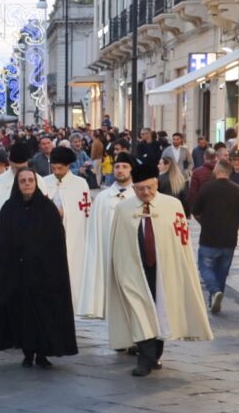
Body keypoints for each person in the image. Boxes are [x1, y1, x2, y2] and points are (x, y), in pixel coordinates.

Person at [107, 162, 213, 376]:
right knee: (140, 310)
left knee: (161, 309)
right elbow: (118, 241)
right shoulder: (123, 209)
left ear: (157, 184)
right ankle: (144, 360)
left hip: (164, 268)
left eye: (150, 188)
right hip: (134, 268)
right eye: (140, 189)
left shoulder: (172, 206)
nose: (146, 193)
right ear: (133, 188)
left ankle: (155, 353)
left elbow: (181, 240)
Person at [0, 167, 77, 367]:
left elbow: (56, 241)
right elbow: (0, 239)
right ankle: (27, 352)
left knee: (43, 313)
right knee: (23, 314)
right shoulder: (9, 208)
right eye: (23, 181)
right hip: (18, 274)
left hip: (43, 274)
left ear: (36, 183)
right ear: (17, 184)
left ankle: (43, 352)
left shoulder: (47, 208)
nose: (27, 184)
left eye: (30, 180)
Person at [78, 153, 134, 319]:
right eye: (117, 167)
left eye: (124, 167)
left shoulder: (137, 195)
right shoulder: (102, 198)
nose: (120, 170)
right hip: (106, 250)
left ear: (131, 170)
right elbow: (94, 229)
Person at [192, 161, 239, 314]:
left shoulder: (207, 188)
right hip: (229, 238)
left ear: (217, 170)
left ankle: (214, 291)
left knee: (205, 267)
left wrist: (203, 222)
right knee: (222, 272)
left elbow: (196, 210)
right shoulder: (238, 189)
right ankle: (214, 299)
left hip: (209, 236)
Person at [41, 146, 90, 313]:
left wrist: (65, 213)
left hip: (71, 235)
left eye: (60, 168)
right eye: (53, 168)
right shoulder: (44, 182)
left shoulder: (80, 184)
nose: (56, 171)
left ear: (68, 166)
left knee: (71, 269)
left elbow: (83, 211)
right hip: (47, 235)